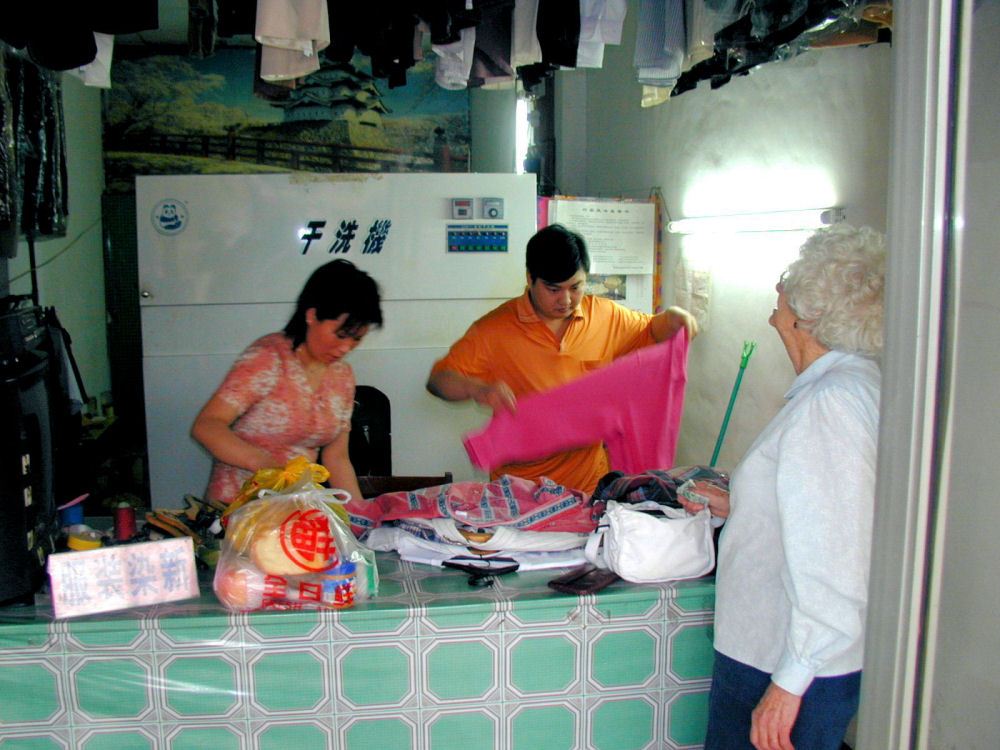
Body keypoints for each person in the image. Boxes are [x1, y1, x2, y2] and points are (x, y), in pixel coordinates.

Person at [676, 224, 885, 750]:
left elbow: (837, 557)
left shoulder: (828, 406)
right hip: (783, 655)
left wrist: (789, 684)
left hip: (779, 662)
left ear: (807, 314)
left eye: (789, 280)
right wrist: (743, 504)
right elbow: (824, 512)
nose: (777, 288)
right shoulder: (853, 383)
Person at [426, 223, 698, 494]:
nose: (566, 300)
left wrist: (676, 319)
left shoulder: (605, 316)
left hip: (590, 485)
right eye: (553, 289)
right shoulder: (493, 330)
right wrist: (477, 389)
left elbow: (654, 329)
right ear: (530, 278)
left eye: (576, 287)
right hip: (521, 488)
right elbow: (439, 381)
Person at [192, 259, 383, 505]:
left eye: (356, 339)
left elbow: (336, 458)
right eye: (340, 335)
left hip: (293, 511)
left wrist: (361, 516)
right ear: (312, 315)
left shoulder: (342, 375)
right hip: (238, 509)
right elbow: (207, 426)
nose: (345, 348)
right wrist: (267, 466)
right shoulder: (268, 357)